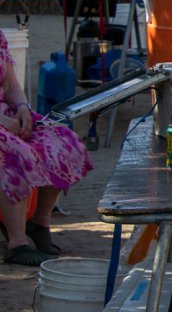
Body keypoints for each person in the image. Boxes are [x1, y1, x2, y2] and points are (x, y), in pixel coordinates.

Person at [0, 29, 93, 266]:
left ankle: (39, 222)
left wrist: (22, 108)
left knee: (62, 141)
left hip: (8, 114)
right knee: (18, 152)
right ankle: (17, 242)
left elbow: (9, 83)